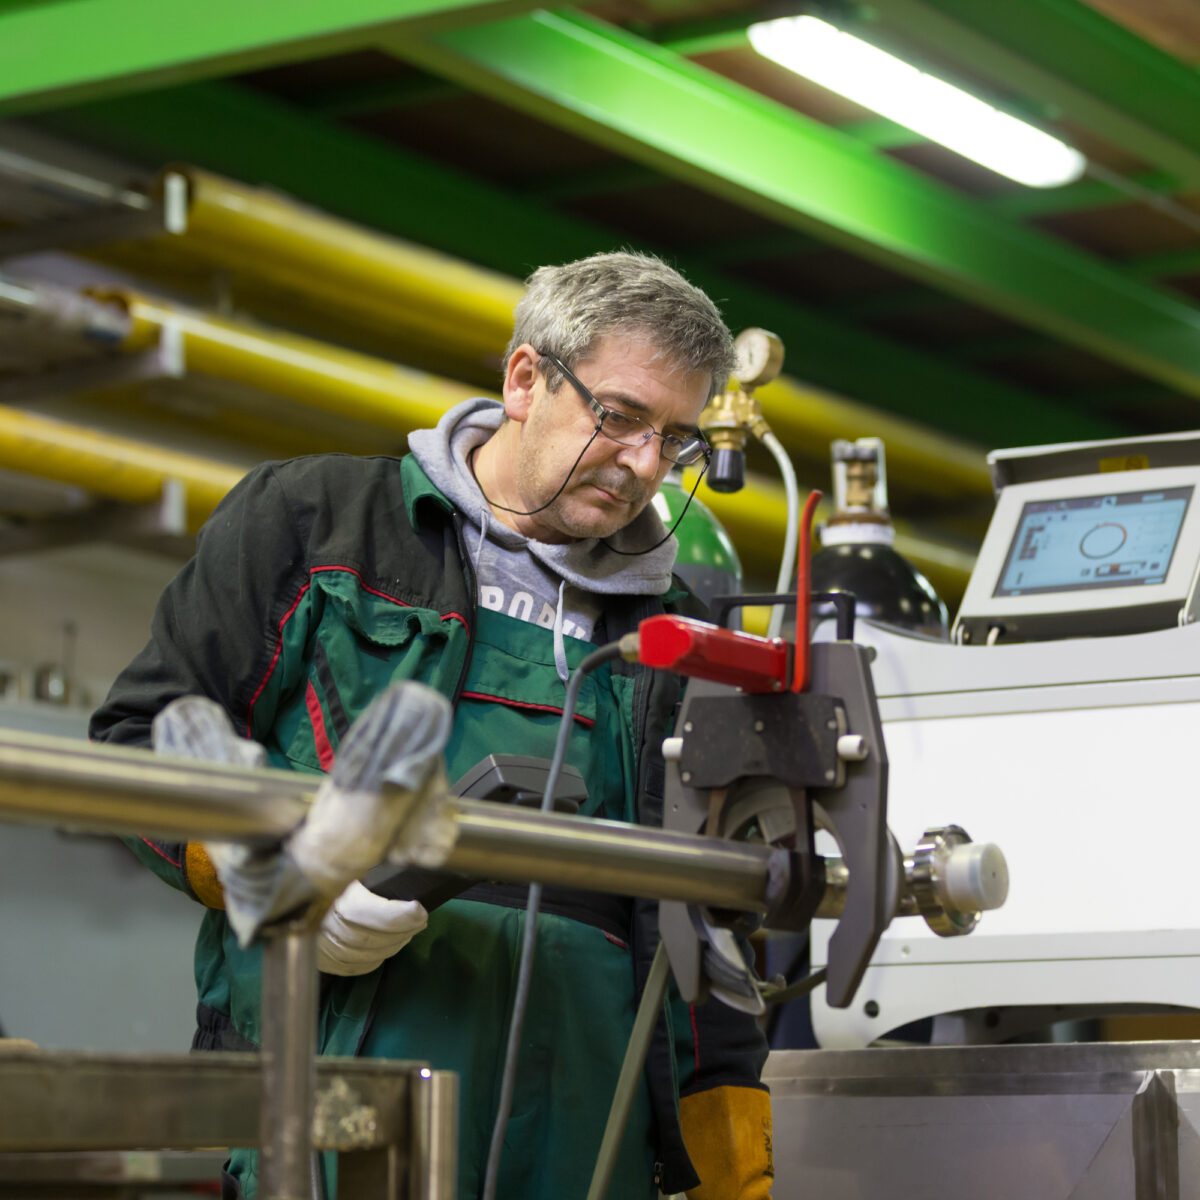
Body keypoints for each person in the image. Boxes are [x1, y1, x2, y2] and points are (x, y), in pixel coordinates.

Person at [90, 251, 773, 1200]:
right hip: (336, 1076)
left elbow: (704, 915)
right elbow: (138, 743)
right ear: (526, 378)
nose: (646, 466)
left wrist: (726, 1141)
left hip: (592, 1120)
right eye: (619, 419)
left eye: (678, 441)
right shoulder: (319, 524)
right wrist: (284, 884)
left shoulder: (680, 632)